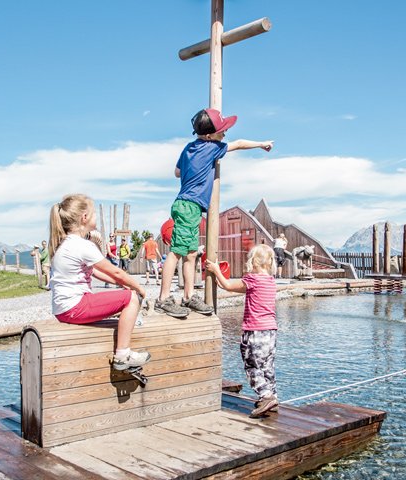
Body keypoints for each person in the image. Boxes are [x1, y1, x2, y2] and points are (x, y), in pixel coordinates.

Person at [155, 108, 274, 318]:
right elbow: (239, 144)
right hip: (189, 205)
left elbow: (177, 173)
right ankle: (164, 299)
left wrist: (194, 169)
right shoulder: (211, 147)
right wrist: (261, 143)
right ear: (209, 136)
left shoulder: (189, 148)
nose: (225, 133)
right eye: (222, 130)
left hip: (186, 205)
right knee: (177, 252)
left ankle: (189, 296)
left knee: (191, 253)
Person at [49, 194, 151, 370]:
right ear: (85, 217)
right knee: (131, 298)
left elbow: (95, 271)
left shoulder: (66, 243)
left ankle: (126, 323)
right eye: (94, 213)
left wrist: (121, 284)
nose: (95, 216)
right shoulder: (82, 245)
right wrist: (137, 287)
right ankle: (123, 356)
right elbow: (117, 271)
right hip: (75, 307)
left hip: (63, 309)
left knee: (125, 295)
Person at [205, 244, 280, 418]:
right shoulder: (270, 280)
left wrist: (216, 269)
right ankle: (273, 397)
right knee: (267, 366)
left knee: (252, 365)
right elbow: (229, 286)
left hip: (254, 330)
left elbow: (228, 286)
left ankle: (265, 396)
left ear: (253, 261)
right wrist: (220, 279)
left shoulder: (252, 279)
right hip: (271, 331)